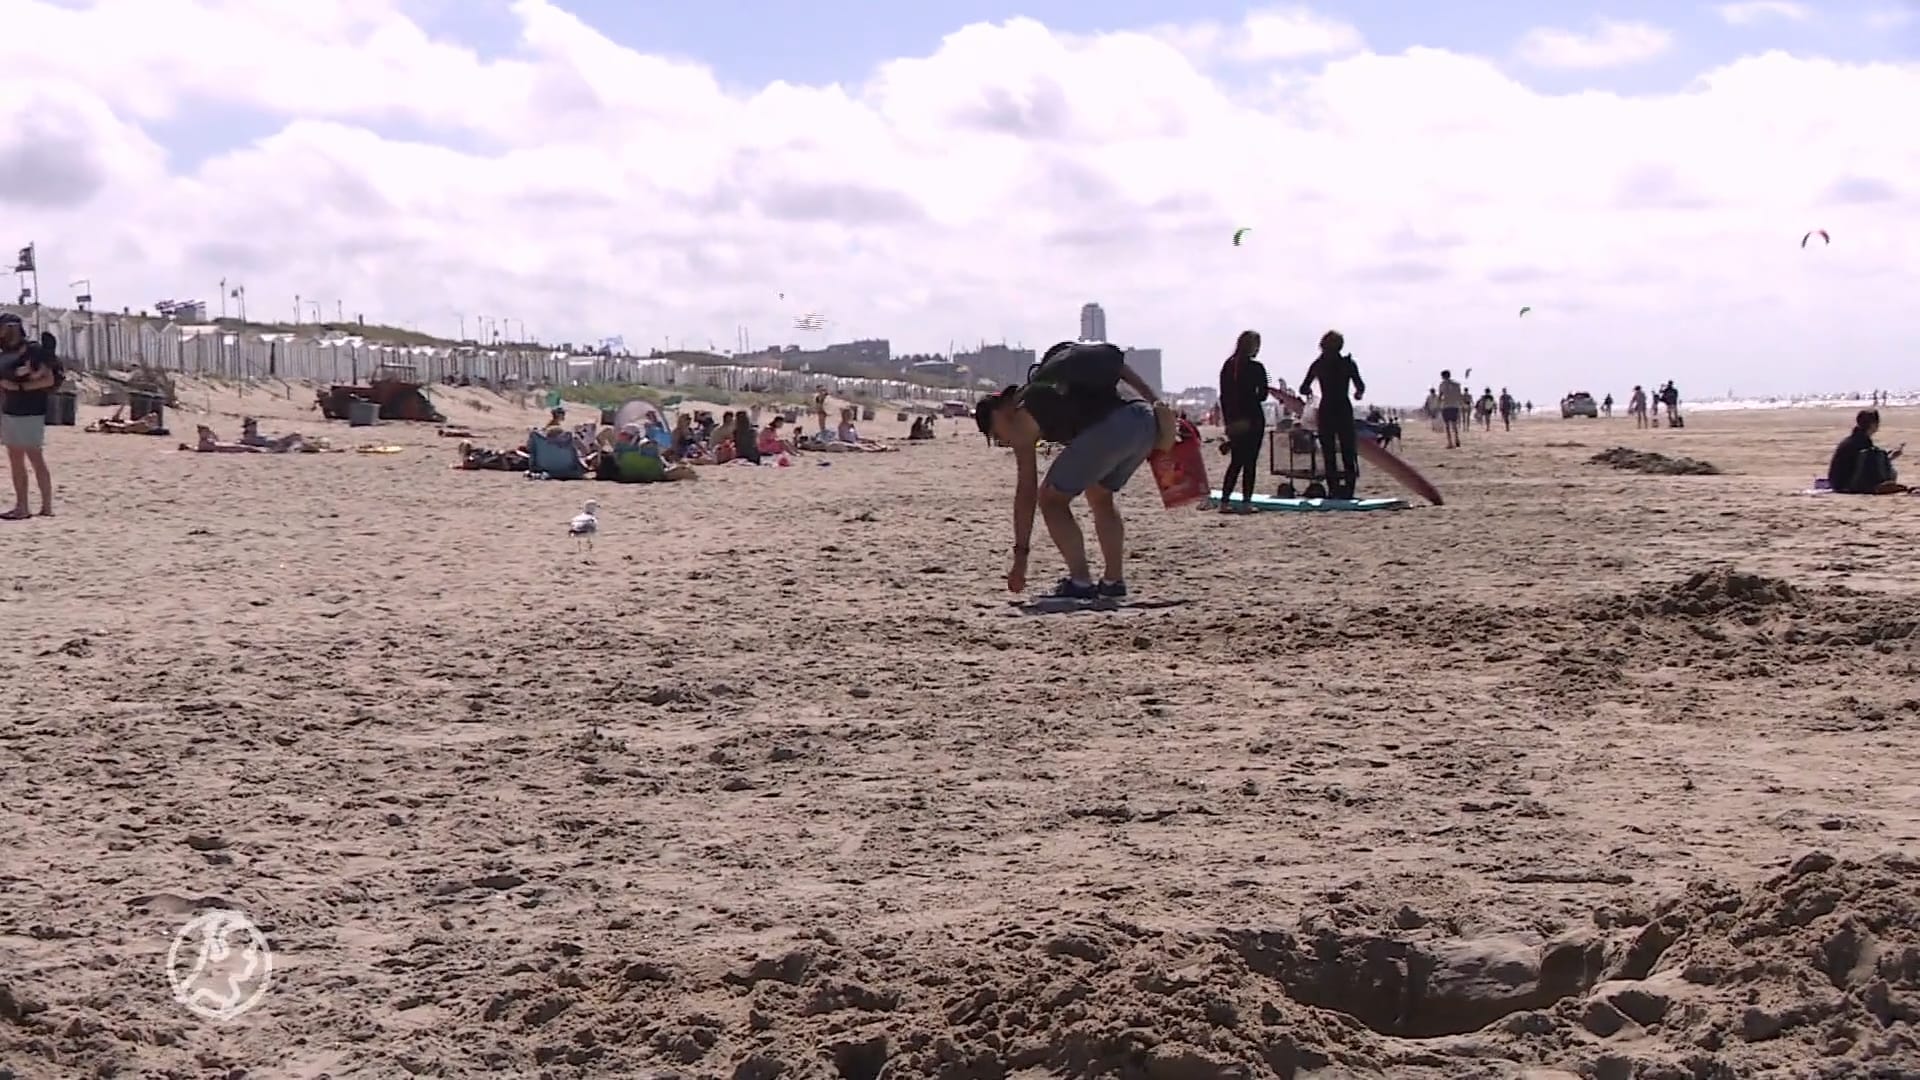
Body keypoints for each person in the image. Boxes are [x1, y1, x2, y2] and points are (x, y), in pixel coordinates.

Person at [974, 341, 1161, 600]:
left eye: (996, 435)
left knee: (1051, 499)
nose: (1002, 442)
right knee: (1100, 495)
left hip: (1113, 430)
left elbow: (1026, 494)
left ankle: (1081, 582)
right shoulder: (1047, 387)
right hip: (1143, 423)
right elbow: (1118, 366)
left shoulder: (1023, 417)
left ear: (1000, 412)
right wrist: (1157, 402)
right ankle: (1113, 582)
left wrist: (1021, 557)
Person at [0, 313, 60, 518]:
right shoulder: (5, 353)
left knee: (35, 457)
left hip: (31, 410)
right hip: (11, 410)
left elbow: (48, 380)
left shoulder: (33, 351)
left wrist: (19, 387)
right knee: (16, 459)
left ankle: (45, 507)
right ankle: (23, 506)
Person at [1300, 331, 1365, 500]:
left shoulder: (1319, 364)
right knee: (1348, 451)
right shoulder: (1348, 364)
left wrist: (1308, 392)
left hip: (1327, 409)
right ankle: (1349, 490)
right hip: (1343, 407)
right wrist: (1358, 394)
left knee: (1329, 452)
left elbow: (1303, 387)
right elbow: (1360, 386)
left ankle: (1334, 489)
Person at [1217, 330, 1269, 513]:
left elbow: (1224, 396)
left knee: (1236, 462)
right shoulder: (1257, 368)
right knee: (1250, 462)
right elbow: (1263, 395)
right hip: (1253, 417)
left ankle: (1224, 501)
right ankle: (1246, 502)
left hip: (1234, 418)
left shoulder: (1228, 365)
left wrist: (1228, 422)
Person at [1827, 409, 1905, 494]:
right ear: (1873, 424)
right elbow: (1869, 462)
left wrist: (1890, 457)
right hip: (1848, 484)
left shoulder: (1852, 440)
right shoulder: (1861, 442)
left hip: (1837, 483)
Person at [1436, 368, 1464, 449]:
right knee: (1454, 424)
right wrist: (1460, 404)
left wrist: (1437, 406)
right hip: (1455, 406)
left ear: (1443, 376)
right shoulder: (1456, 384)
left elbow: (1440, 396)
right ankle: (1457, 439)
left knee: (1447, 426)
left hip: (1446, 406)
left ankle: (1450, 443)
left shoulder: (1442, 385)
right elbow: (1459, 395)